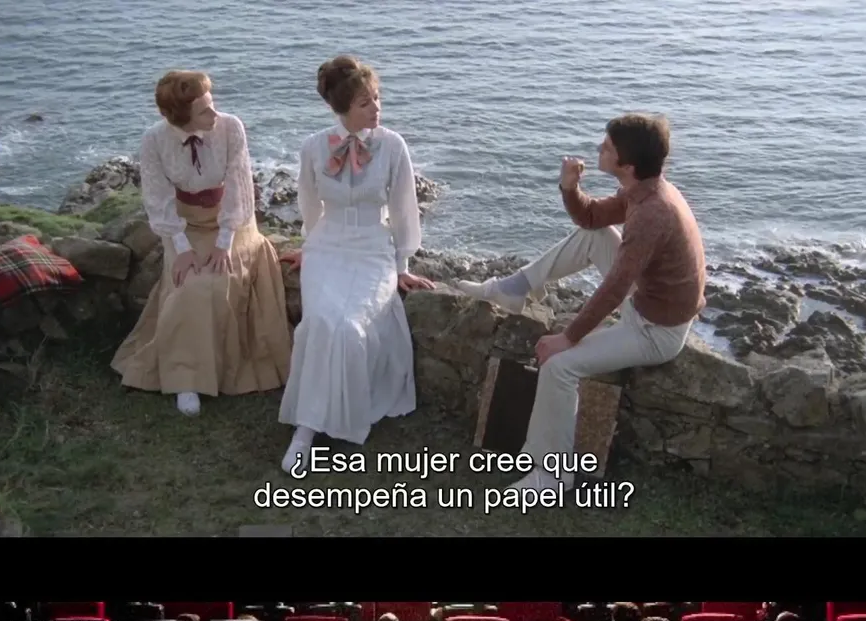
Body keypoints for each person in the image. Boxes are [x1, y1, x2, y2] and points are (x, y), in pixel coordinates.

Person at [455, 113, 706, 490]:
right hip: (648, 303)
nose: (598, 149)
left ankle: (551, 475)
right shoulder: (644, 189)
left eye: (607, 147)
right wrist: (569, 188)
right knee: (595, 236)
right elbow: (591, 218)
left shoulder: (652, 213)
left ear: (627, 165)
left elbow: (615, 288)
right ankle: (515, 287)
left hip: (656, 331)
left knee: (558, 366)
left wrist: (568, 337)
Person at [277, 55, 434, 473]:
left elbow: (404, 210)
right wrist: (308, 247)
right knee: (321, 322)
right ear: (343, 107)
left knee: (350, 326)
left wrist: (402, 265)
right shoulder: (313, 147)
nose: (376, 108)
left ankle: (339, 417)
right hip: (326, 248)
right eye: (366, 102)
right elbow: (309, 207)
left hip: (372, 251)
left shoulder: (393, 146)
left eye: (377, 98)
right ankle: (305, 431)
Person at [111, 70, 292, 417]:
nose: (215, 114)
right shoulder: (154, 140)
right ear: (181, 118)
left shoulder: (230, 127)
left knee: (219, 280)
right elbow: (159, 198)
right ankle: (185, 378)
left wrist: (224, 242)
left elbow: (239, 187)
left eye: (212, 104)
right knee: (189, 284)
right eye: (204, 110)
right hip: (184, 225)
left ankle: (221, 369)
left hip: (232, 222)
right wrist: (181, 248)